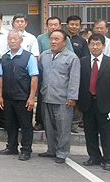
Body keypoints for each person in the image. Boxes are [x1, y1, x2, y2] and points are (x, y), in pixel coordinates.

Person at [38, 30, 80, 164]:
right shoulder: (44, 55)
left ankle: (62, 152)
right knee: (49, 126)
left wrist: (72, 97)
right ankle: (51, 149)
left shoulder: (72, 57)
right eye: (51, 39)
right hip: (47, 96)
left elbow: (74, 78)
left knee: (63, 127)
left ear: (64, 42)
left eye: (57, 39)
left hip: (63, 99)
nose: (53, 41)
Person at [0, 30, 39, 161]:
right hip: (8, 97)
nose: (12, 41)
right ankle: (11, 147)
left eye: (15, 39)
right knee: (10, 124)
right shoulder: (5, 57)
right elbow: (1, 77)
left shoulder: (28, 57)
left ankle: (26, 150)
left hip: (23, 98)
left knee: (26, 125)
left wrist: (32, 97)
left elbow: (34, 78)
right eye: (10, 39)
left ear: (21, 41)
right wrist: (0, 96)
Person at [34, 17, 74, 132]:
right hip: (46, 80)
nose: (53, 27)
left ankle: (62, 149)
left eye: (55, 24)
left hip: (62, 86)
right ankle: (50, 147)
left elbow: (73, 74)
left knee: (62, 121)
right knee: (47, 116)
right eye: (50, 24)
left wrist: (72, 96)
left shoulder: (69, 51)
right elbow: (39, 57)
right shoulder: (42, 41)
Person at [78, 34, 110, 170]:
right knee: (89, 132)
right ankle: (94, 156)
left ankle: (107, 159)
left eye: (98, 44)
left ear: (103, 46)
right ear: (88, 46)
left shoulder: (109, 62)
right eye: (92, 44)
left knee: (106, 133)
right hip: (87, 102)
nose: (95, 47)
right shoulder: (83, 62)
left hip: (104, 103)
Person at [66, 15, 90, 133]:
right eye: (72, 24)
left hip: (77, 74)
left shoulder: (82, 41)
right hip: (63, 74)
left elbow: (86, 58)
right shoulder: (62, 38)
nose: (74, 27)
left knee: (75, 98)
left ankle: (74, 124)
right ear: (67, 25)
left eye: (76, 25)